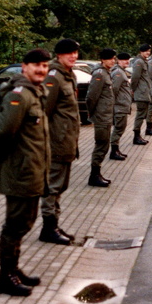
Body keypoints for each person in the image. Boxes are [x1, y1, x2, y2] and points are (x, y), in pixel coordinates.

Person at [0, 48, 52, 296]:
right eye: (36, 65)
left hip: (32, 171)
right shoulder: (20, 95)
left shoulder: (36, 93)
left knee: (25, 222)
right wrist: (0, 160)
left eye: (45, 66)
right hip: (20, 172)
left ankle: (13, 270)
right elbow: (4, 132)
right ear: (24, 67)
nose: (41, 70)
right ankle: (5, 278)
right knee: (15, 225)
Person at [39, 39, 81, 246]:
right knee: (52, 187)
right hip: (55, 142)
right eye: (68, 53)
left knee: (60, 186)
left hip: (67, 141)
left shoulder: (68, 75)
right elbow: (44, 111)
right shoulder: (54, 76)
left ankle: (54, 225)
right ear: (59, 55)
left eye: (75, 53)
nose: (73, 56)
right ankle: (48, 228)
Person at [86, 48, 117, 187]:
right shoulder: (99, 74)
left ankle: (97, 173)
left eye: (114, 58)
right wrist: (92, 114)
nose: (113, 61)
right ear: (103, 60)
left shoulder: (106, 73)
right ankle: (94, 176)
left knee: (104, 145)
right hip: (101, 116)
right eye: (110, 58)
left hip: (106, 115)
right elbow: (91, 97)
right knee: (101, 145)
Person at [110, 52, 133, 161]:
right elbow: (114, 90)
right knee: (118, 128)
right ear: (118, 60)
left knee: (120, 128)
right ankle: (113, 151)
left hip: (122, 106)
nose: (127, 61)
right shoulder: (118, 72)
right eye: (124, 59)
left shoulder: (121, 71)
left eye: (128, 59)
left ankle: (116, 149)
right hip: (119, 106)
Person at [131, 43, 151, 145]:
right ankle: (136, 136)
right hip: (141, 93)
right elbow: (135, 78)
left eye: (149, 51)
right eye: (146, 51)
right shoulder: (139, 62)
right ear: (141, 52)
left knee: (142, 114)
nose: (148, 53)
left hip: (144, 92)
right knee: (140, 115)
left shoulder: (143, 61)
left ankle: (138, 135)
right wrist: (133, 90)